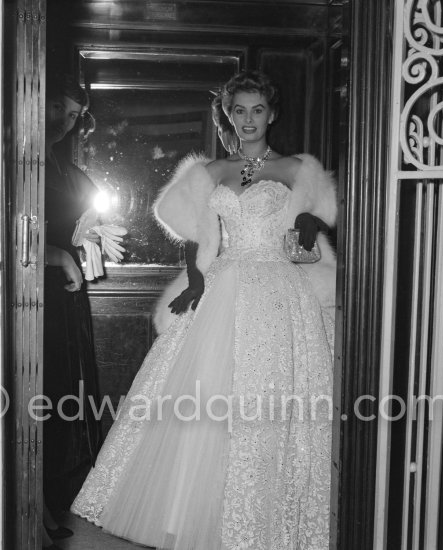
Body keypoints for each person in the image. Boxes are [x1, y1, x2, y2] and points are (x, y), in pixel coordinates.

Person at [71, 70, 336, 549]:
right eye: (239, 110)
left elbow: (309, 240)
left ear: (272, 114)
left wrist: (308, 238)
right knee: (205, 402)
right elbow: (198, 239)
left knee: (268, 397)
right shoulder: (212, 172)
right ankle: (203, 519)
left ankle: (266, 520)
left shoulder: (299, 169)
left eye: (258, 109)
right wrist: (194, 280)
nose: (249, 119)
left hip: (279, 291)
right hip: (222, 287)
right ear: (227, 116)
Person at [43, 75, 126, 548]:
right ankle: (33, 502)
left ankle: (52, 498)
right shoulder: (21, 159)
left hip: (65, 297)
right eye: (59, 108)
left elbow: (87, 219)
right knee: (44, 389)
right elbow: (8, 226)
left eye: (74, 115)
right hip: (34, 295)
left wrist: (86, 243)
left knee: (65, 391)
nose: (64, 122)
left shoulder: (62, 166)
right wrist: (57, 254)